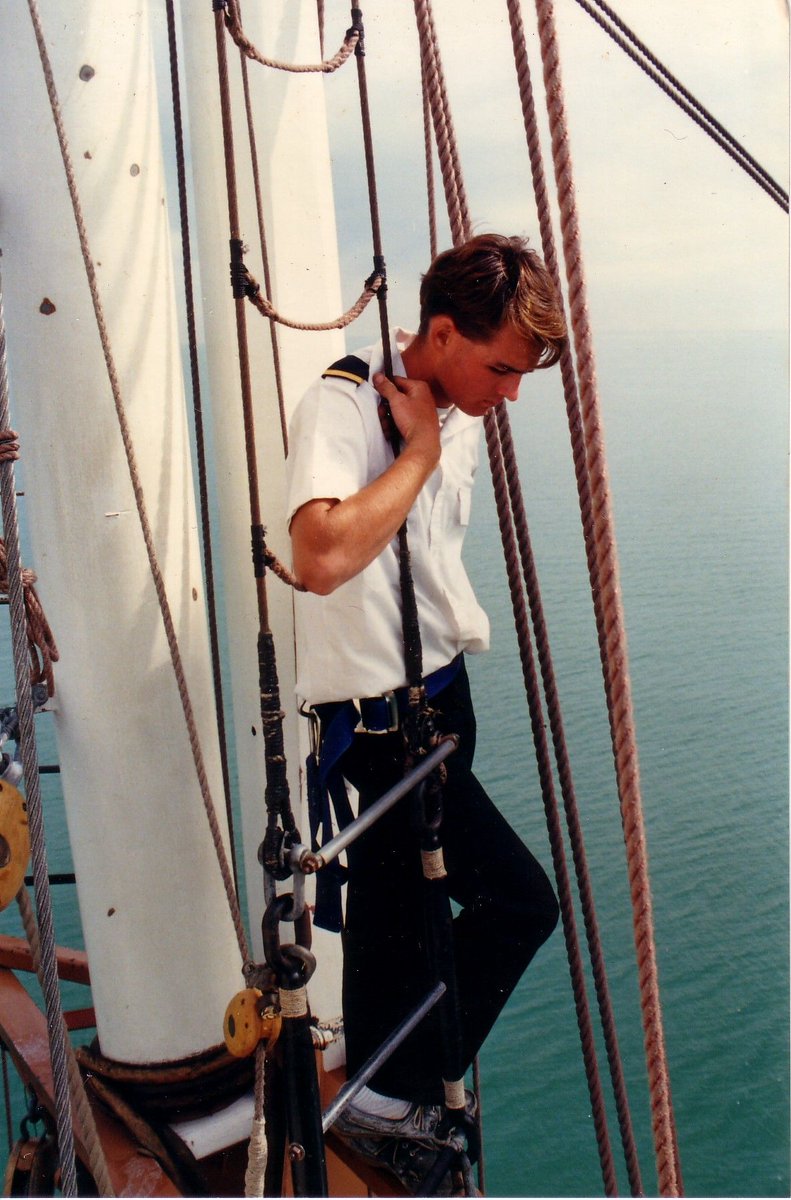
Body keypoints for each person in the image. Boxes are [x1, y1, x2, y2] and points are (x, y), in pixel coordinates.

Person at [286, 233, 565, 1194]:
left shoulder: (463, 409)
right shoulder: (345, 401)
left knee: (394, 916)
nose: (510, 393)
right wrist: (417, 451)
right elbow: (318, 558)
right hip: (377, 729)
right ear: (438, 333)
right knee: (521, 903)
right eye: (499, 368)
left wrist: (438, 435)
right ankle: (397, 1093)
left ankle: (372, 1097)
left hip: (443, 702)